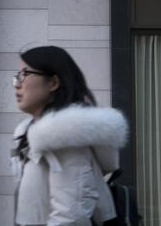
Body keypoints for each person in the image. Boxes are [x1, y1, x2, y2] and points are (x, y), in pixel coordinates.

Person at [11, 45, 128, 226]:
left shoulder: (64, 137)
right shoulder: (29, 134)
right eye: (17, 76)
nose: (17, 83)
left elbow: (72, 216)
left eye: (25, 74)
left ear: (53, 83)